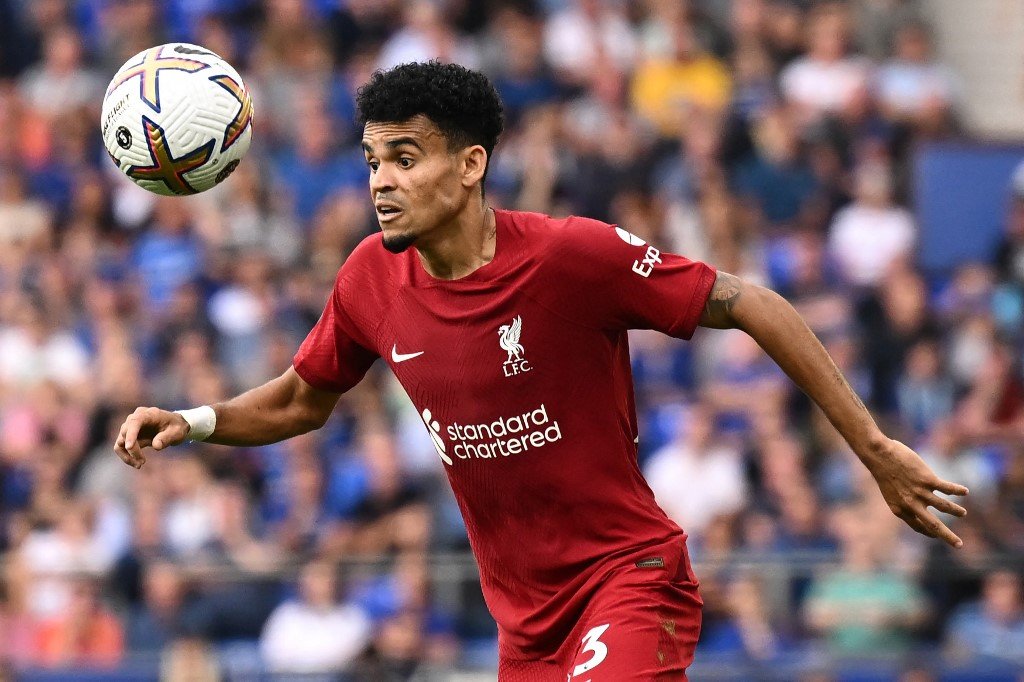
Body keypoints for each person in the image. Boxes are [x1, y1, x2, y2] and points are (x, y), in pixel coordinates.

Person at [113, 61, 969, 680]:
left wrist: (874, 447)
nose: (381, 181)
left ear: (471, 163)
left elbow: (752, 302)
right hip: (524, 625)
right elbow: (304, 398)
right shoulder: (370, 276)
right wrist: (194, 422)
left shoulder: (570, 257)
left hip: (629, 580)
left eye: (405, 158)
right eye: (373, 160)